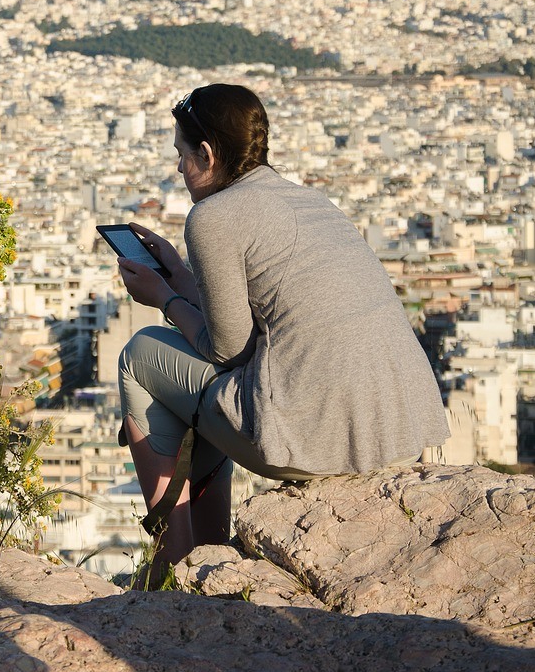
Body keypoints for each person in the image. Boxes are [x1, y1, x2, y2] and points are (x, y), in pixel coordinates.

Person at [115, 83, 449, 585]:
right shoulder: (311, 201)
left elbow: (227, 349)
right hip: (396, 431)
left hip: (314, 439)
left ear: (207, 154)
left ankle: (175, 567)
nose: (180, 170)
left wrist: (162, 300)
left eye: (182, 156)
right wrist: (180, 279)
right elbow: (250, 322)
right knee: (200, 375)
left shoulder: (213, 216)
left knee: (141, 355)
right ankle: (209, 554)